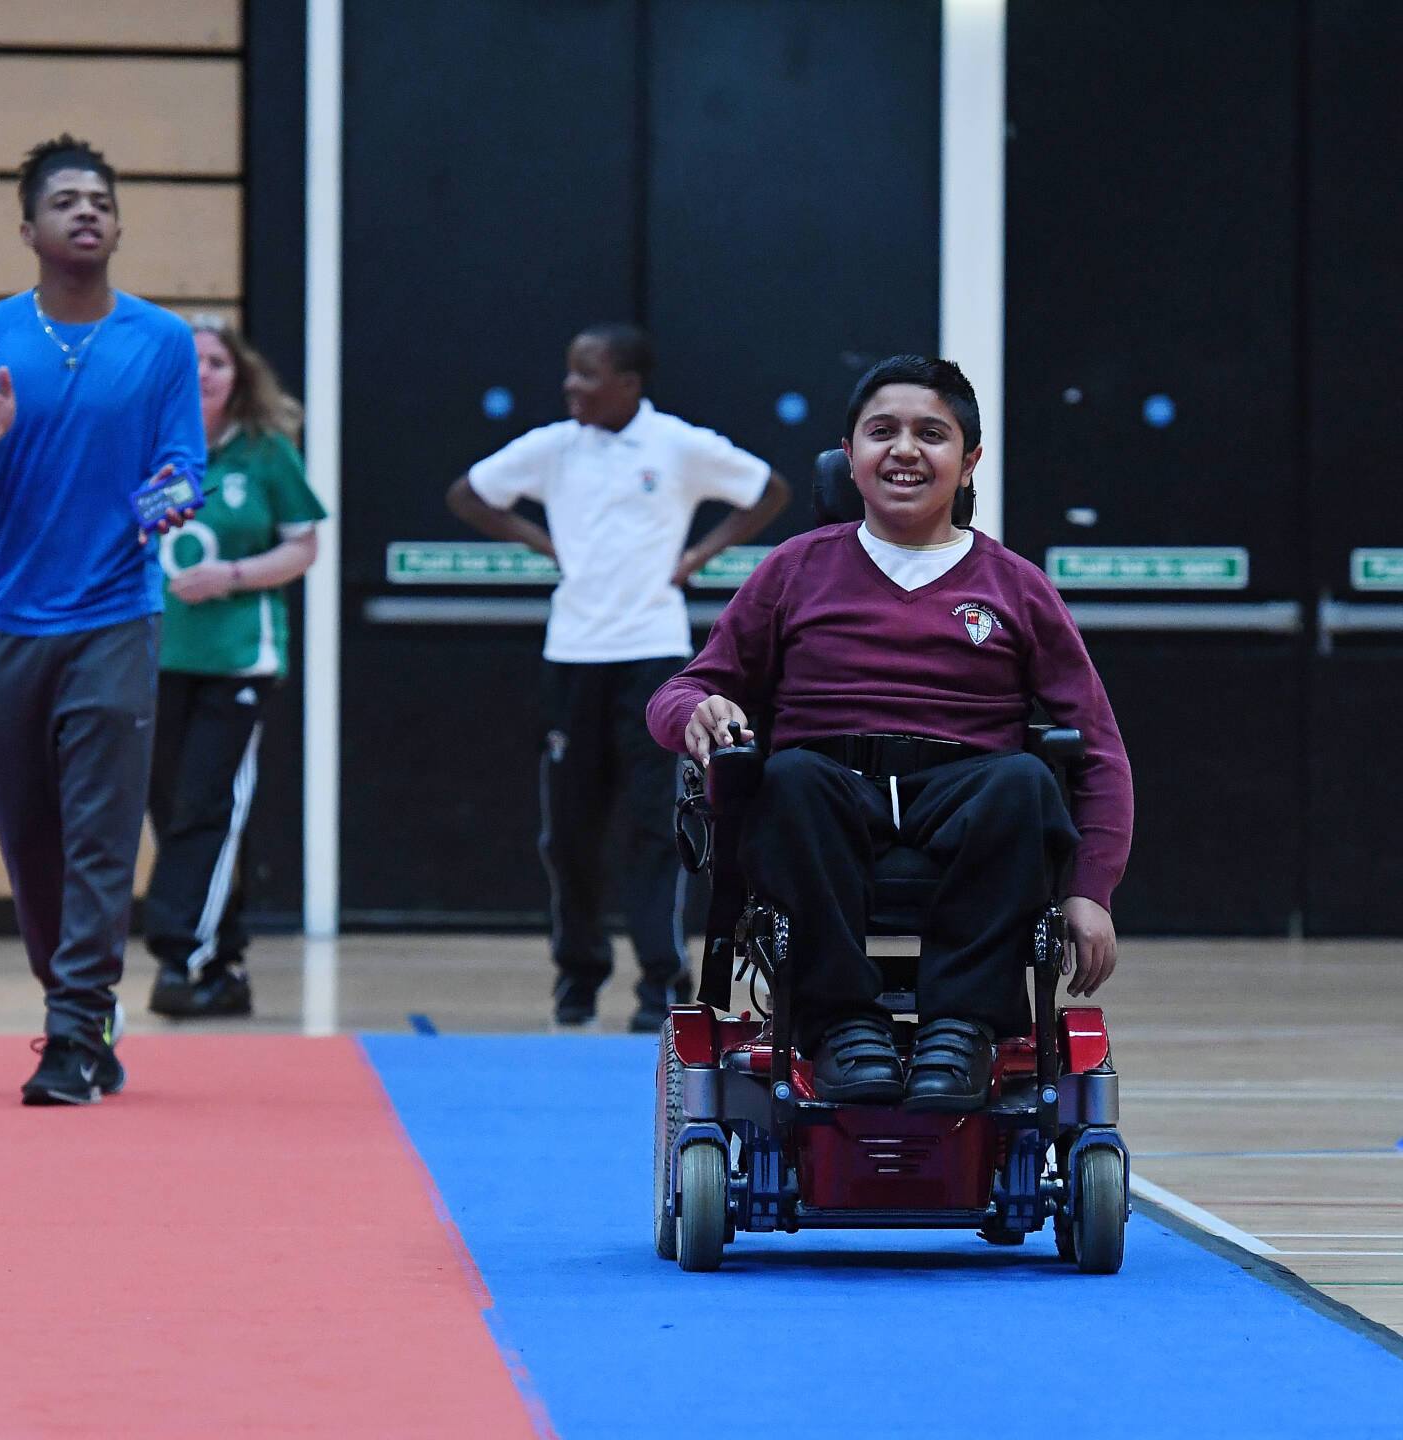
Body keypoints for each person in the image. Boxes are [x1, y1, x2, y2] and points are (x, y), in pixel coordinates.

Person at [646, 356, 1133, 1108]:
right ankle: (842, 1026)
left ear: (969, 461)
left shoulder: (1015, 586)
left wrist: (1091, 892)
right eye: (883, 432)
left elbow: (1097, 749)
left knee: (1027, 781)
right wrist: (698, 715)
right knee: (789, 779)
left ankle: (961, 1030)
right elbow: (680, 692)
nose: (905, 450)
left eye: (931, 434)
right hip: (828, 794)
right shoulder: (794, 570)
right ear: (850, 456)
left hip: (967, 793)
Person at [447, 323, 791, 1032]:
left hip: (653, 656)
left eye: (587, 375)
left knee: (655, 825)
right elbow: (469, 493)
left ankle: (660, 979)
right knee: (568, 831)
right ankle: (577, 975)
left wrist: (698, 554)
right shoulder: (553, 448)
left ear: (629, 385)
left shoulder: (676, 445)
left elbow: (770, 489)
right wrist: (543, 543)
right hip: (572, 654)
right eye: (571, 374)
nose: (572, 386)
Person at [0, 135, 206, 1103]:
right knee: (29, 839)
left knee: (101, 832)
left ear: (117, 222)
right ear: (29, 228)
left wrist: (170, 499)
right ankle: (78, 1005)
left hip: (117, 616)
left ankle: (72, 1031)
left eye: (100, 199)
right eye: (65, 200)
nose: (86, 212)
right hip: (15, 622)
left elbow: (184, 465)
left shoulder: (162, 342)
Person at [143, 317, 325, 1019]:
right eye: (190, 362)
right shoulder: (151, 451)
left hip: (239, 660)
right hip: (157, 656)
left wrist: (234, 574)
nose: (204, 373)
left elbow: (302, 548)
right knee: (171, 809)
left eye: (216, 361)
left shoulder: (264, 452)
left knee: (208, 805)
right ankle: (226, 957)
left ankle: (178, 954)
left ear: (237, 373)